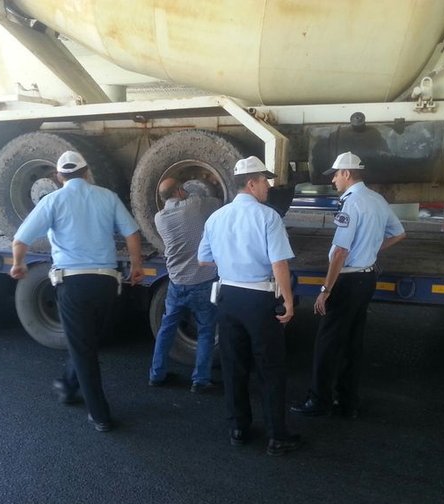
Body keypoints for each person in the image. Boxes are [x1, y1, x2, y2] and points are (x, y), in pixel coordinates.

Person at [9, 150, 144, 433]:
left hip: (72, 283)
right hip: (107, 283)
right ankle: (68, 384)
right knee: (87, 342)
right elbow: (132, 233)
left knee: (84, 348)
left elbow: (20, 239)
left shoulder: (52, 200)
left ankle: (100, 415)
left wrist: (19, 264)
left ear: (59, 177)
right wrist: (136, 266)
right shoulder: (106, 196)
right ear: (87, 172)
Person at [198, 155, 301, 457]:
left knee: (234, 366)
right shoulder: (268, 217)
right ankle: (277, 435)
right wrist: (288, 300)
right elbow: (278, 262)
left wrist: (230, 258)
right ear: (251, 183)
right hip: (259, 298)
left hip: (228, 295)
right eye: (265, 180)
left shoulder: (216, 218)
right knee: (270, 367)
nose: (269, 186)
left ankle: (238, 428)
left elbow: (204, 258)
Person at [290, 151, 406, 419]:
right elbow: (400, 233)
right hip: (367, 279)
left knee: (327, 342)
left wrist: (325, 290)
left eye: (334, 175)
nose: (333, 181)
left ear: (346, 174)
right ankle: (348, 402)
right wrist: (373, 248)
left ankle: (318, 400)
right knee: (353, 342)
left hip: (348, 280)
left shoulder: (351, 204)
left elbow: (340, 252)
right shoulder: (377, 199)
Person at [148, 178, 222, 393]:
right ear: (180, 191)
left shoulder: (159, 217)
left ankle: (156, 374)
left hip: (176, 283)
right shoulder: (195, 205)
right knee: (207, 331)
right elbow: (216, 201)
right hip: (202, 281)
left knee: (167, 329)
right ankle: (200, 380)